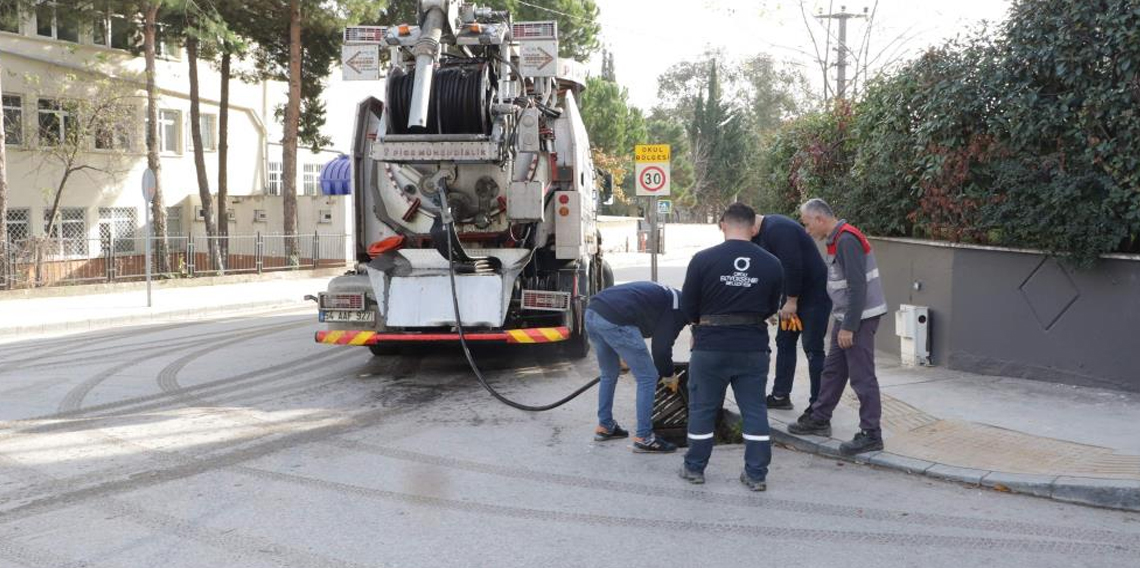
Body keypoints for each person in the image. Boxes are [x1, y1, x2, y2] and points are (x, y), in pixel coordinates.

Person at [678, 203, 783, 490]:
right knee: (754, 410)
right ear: (754, 228)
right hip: (752, 346)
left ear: (723, 224)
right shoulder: (772, 263)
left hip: (710, 345)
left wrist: (697, 326)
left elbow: (688, 305)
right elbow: (772, 306)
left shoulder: (702, 260)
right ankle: (756, 474)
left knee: (702, 408)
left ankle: (694, 468)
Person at [787, 198, 889, 456]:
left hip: (859, 319)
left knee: (862, 376)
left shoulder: (846, 240)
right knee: (833, 371)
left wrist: (849, 327)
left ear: (820, 219)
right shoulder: (837, 240)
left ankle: (871, 434)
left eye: (807, 224)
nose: (807, 230)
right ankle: (820, 417)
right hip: (847, 318)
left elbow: (858, 287)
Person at [586, 281, 689, 453]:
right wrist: (669, 375)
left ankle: (605, 426)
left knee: (609, 373)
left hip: (592, 312)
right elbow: (661, 350)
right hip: (615, 319)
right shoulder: (678, 309)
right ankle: (644, 438)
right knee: (648, 377)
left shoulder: (672, 297)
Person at [752, 212, 831, 413]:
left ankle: (818, 406)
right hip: (790, 301)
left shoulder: (778, 228)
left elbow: (792, 265)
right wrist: (771, 306)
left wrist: (791, 301)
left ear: (750, 224)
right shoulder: (759, 235)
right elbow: (768, 273)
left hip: (813, 297)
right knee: (785, 342)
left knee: (813, 348)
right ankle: (780, 395)